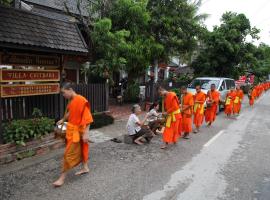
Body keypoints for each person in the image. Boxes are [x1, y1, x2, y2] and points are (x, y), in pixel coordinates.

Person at [53, 83, 93, 187]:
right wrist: (63, 119)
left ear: (70, 89)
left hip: (79, 131)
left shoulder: (81, 100)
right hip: (73, 131)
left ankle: (62, 178)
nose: (63, 95)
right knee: (82, 149)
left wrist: (86, 133)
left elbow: (88, 117)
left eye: (63, 92)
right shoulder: (72, 100)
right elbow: (70, 112)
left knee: (68, 154)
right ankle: (85, 167)